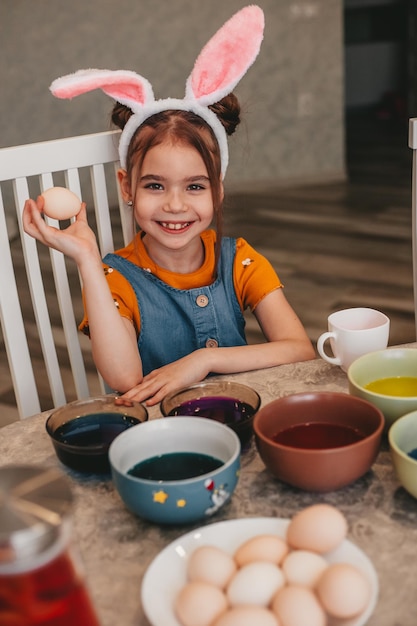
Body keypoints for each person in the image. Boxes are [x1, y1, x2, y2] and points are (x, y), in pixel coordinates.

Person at [22, 6, 315, 406]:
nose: (175, 205)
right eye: (155, 185)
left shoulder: (240, 261)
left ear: (218, 190)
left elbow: (299, 349)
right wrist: (88, 259)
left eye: (195, 186)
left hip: (235, 424)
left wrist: (203, 360)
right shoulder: (116, 278)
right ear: (126, 187)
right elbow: (125, 378)